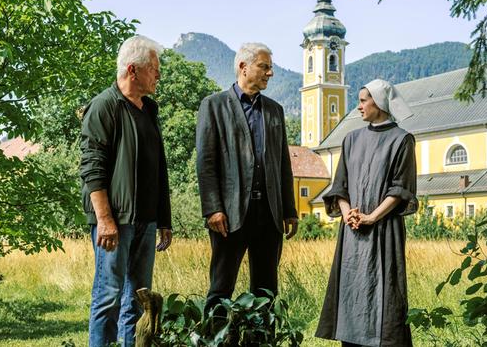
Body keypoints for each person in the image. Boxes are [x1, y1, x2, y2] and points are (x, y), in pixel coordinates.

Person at [79, 35, 172, 347]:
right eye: (154, 69)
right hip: (115, 222)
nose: (158, 74)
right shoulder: (103, 107)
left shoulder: (149, 110)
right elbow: (92, 168)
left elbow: (159, 168)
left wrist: (164, 219)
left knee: (137, 300)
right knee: (108, 297)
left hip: (146, 222)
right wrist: (104, 219)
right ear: (133, 70)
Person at [196, 42, 298, 314]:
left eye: (270, 68)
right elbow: (206, 164)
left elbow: (283, 164)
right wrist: (213, 208)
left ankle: (263, 341)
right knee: (221, 287)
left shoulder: (275, 110)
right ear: (243, 67)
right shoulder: (214, 106)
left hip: (269, 213)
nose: (270, 73)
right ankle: (214, 340)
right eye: (264, 67)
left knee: (266, 291)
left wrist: (289, 209)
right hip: (228, 215)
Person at [315, 79, 418, 347]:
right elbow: (340, 185)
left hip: (384, 231)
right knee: (352, 290)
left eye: (363, 100)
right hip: (352, 233)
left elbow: (400, 189)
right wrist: (349, 214)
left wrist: (372, 217)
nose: (358, 106)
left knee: (385, 293)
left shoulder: (402, 140)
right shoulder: (351, 139)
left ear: (379, 103)